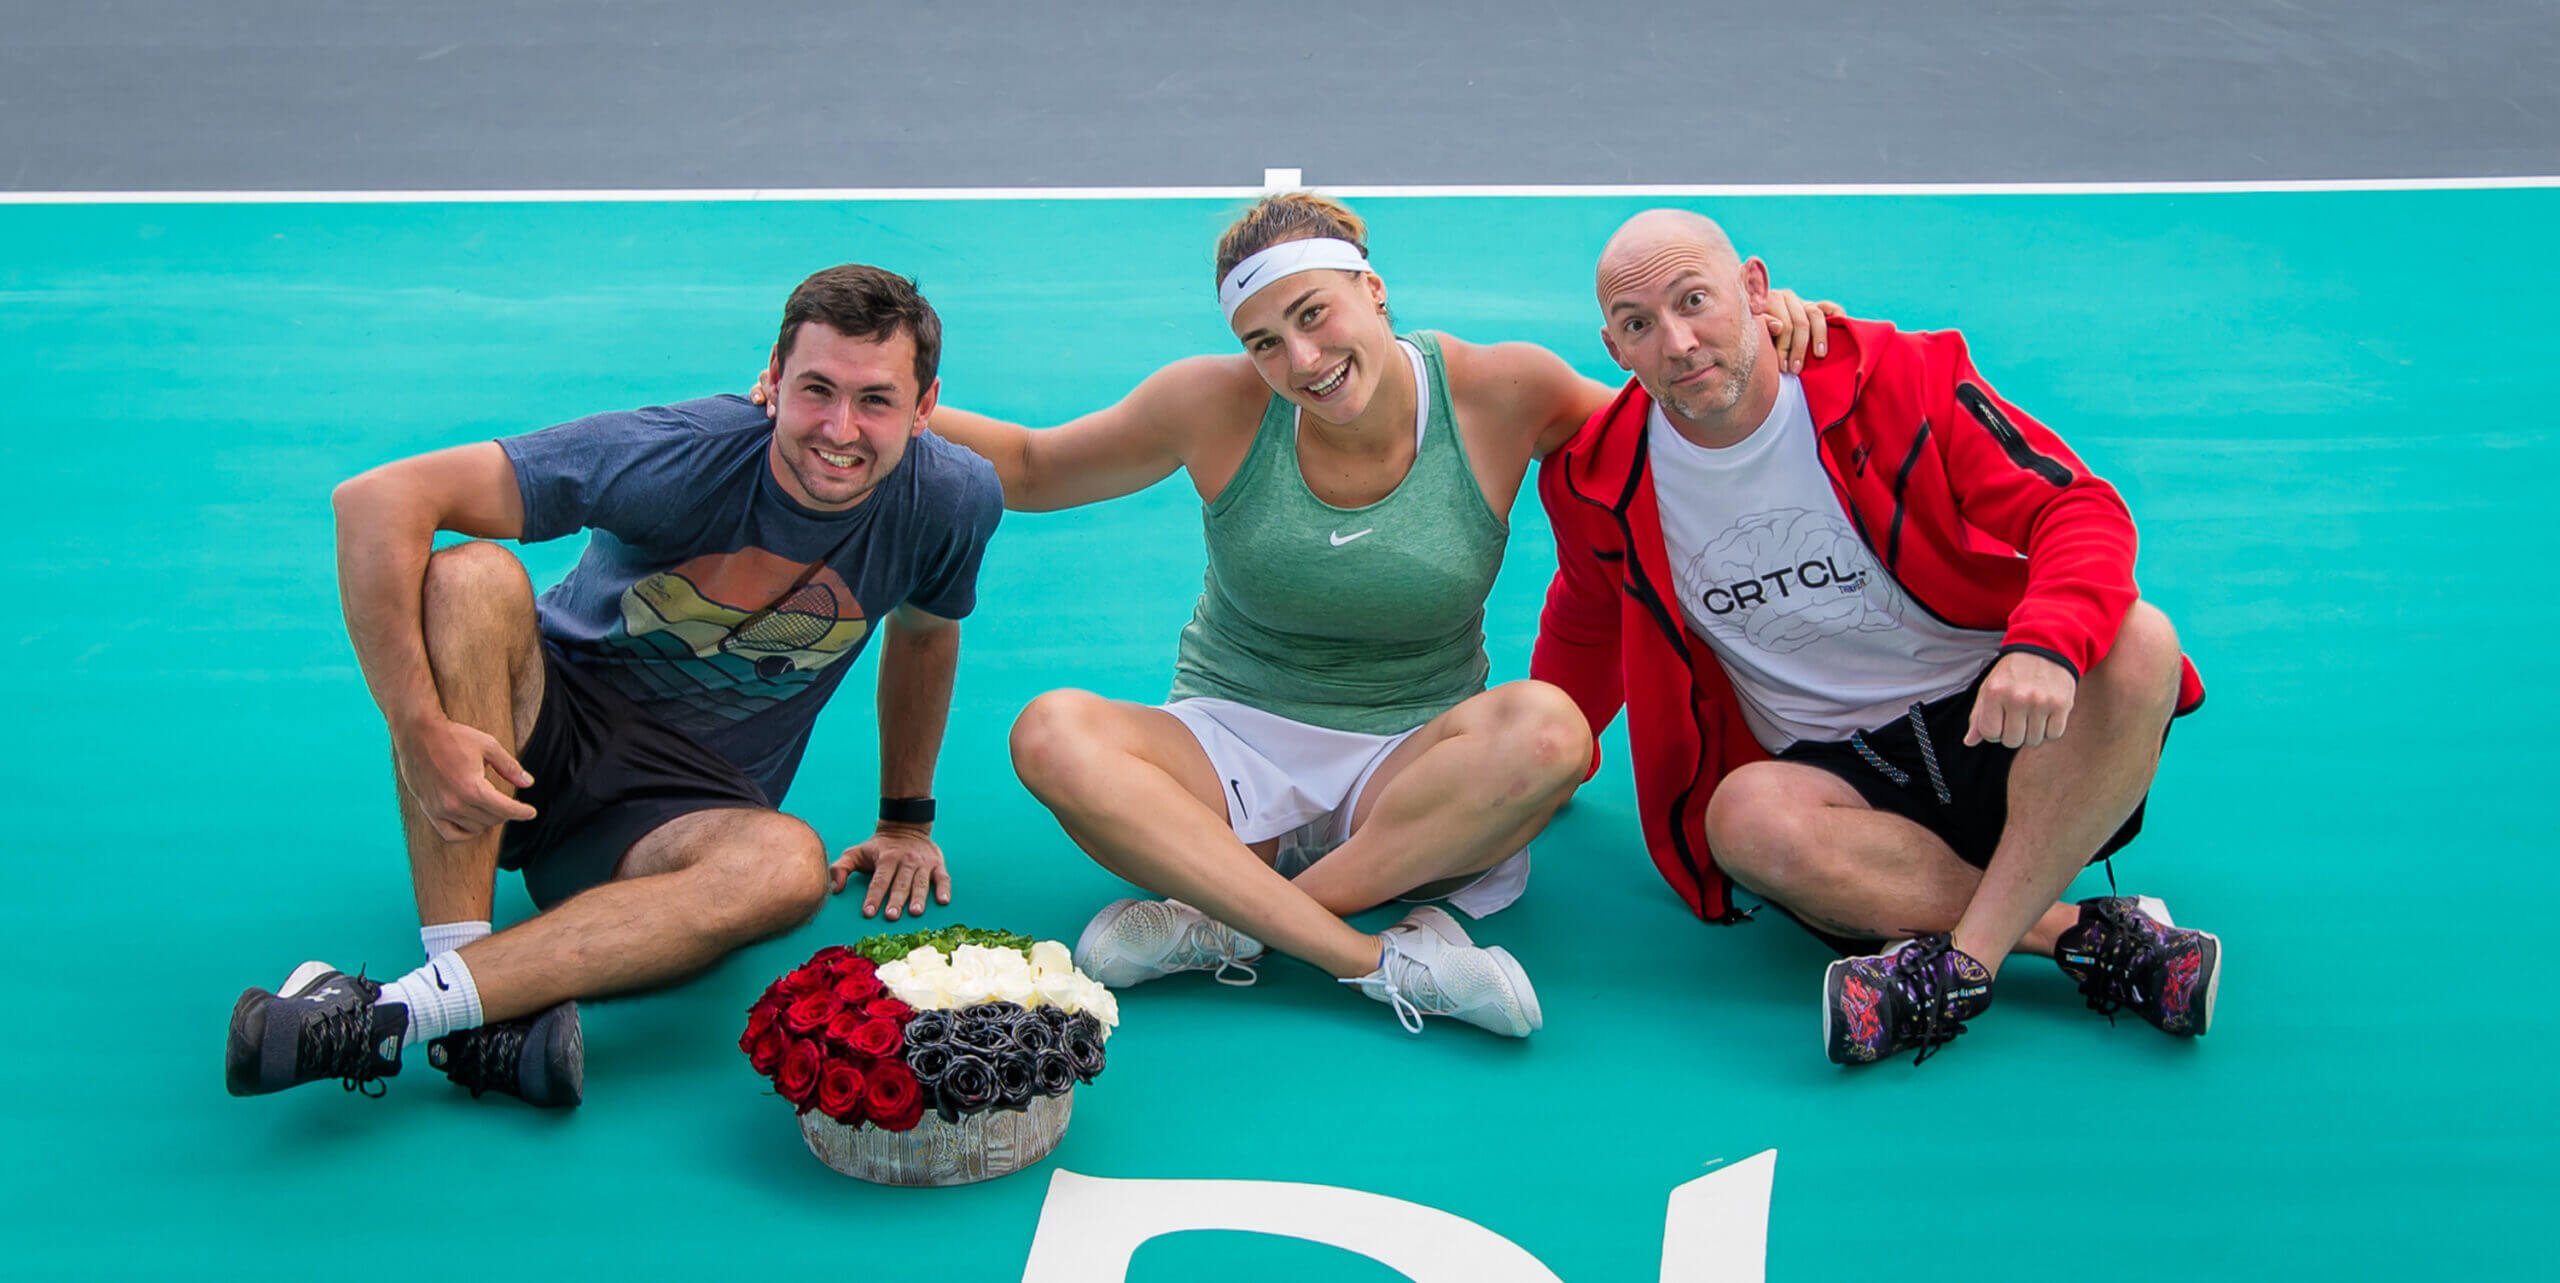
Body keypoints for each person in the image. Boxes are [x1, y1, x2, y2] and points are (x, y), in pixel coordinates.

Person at [851, 194, 1828, 1037]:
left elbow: (1679, 407)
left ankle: (1228, 921)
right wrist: (869, 411)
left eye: (1315, 314)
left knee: (1549, 733)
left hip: (1415, 759)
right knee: (1052, 733)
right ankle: (1364, 953)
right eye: (1264, 341)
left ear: (1374, 291)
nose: (1302, 359)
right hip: (1228, 743)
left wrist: (1768, 326)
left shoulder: (1501, 390)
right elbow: (1027, 465)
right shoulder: (1211, 402)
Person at [225, 264, 1002, 1107]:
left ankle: (409, 1011)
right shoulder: (679, 453)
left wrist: (903, 821)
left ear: (925, 409)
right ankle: (468, 970)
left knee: (788, 864)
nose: (840, 428)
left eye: (876, 401)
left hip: (679, 807)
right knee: (472, 578)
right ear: (772, 381)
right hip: (535, 724)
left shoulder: (951, 500)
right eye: (816, 389)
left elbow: (925, 634)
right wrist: (416, 724)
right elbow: (377, 500)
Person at [1533, 209, 2217, 1066]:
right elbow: (1588, 616)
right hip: (1844, 784)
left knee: (2137, 639)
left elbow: (2076, 505)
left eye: (1695, 300)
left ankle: (1957, 966)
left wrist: (2043, 643)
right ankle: (2080, 933)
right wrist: (1552, 759)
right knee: (1740, 819)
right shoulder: (1600, 478)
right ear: (1614, 348)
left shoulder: (1896, 376)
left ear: (1754, 288)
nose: (1678, 342)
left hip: (2001, 726)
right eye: (1640, 324)